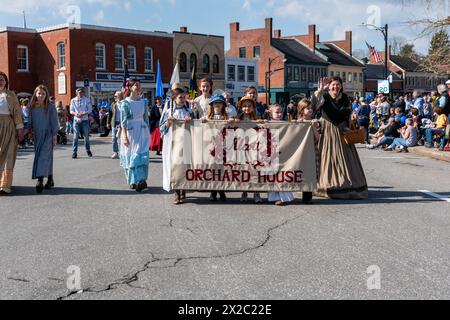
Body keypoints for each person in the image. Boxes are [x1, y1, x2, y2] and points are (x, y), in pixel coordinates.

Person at [311, 77, 368, 200]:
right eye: (333, 85)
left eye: (337, 85)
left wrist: (349, 124)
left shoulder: (345, 98)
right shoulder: (324, 96)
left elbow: (345, 114)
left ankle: (346, 184)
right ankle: (325, 183)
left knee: (345, 158)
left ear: (341, 86)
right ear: (329, 86)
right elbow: (314, 106)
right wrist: (320, 90)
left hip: (341, 129)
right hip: (327, 129)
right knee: (326, 157)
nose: (335, 87)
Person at [160, 86, 194, 204]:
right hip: (171, 142)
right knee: (173, 165)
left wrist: (191, 120)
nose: (183, 99)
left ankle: (183, 189)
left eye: (184, 97)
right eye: (180, 97)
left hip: (185, 141)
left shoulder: (188, 111)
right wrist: (168, 122)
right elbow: (161, 128)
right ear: (174, 98)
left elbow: (195, 125)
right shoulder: (169, 111)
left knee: (184, 165)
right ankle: (176, 191)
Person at [201, 95, 235, 202]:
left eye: (220, 103)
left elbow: (234, 123)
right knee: (212, 169)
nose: (217, 105)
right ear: (212, 105)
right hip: (211, 145)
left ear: (223, 105)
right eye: (215, 103)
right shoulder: (208, 117)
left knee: (222, 170)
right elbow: (201, 124)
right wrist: (203, 121)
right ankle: (213, 191)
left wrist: (231, 121)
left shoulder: (226, 116)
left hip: (223, 145)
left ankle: (221, 190)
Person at [120, 80, 150, 192]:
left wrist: (148, 131)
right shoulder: (125, 103)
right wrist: (124, 136)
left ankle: (141, 179)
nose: (138, 87)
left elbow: (146, 118)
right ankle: (133, 180)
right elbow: (123, 122)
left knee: (141, 154)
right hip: (131, 131)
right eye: (136, 85)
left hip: (142, 130)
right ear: (130, 87)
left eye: (139, 85)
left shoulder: (144, 102)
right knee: (131, 155)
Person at [29, 85, 59, 193]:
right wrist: (29, 131)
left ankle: (40, 180)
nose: (41, 95)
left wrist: (55, 135)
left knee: (43, 156)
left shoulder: (50, 107)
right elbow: (30, 121)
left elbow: (54, 121)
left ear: (46, 95)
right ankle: (50, 179)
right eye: (39, 93)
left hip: (48, 134)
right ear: (35, 94)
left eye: (43, 94)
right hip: (37, 135)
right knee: (45, 157)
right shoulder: (32, 106)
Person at [0, 72, 24, 195]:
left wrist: (20, 129)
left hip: (8, 127)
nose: (0, 81)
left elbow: (17, 112)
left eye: (2, 79)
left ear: (6, 81)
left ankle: (5, 185)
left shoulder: (11, 95)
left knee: (8, 155)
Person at [266, 103, 295, 206]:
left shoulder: (285, 123)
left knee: (283, 175)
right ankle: (274, 197)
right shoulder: (267, 123)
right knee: (273, 176)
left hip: (283, 152)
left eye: (281, 112)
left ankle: (284, 197)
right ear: (270, 113)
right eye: (277, 112)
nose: (279, 114)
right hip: (271, 153)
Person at [237, 96, 263, 204]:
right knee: (244, 169)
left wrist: (263, 122)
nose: (247, 108)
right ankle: (244, 192)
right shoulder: (238, 118)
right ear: (241, 108)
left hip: (254, 146)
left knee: (255, 170)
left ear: (253, 107)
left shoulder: (257, 118)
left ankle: (256, 193)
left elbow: (263, 126)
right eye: (244, 106)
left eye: (249, 106)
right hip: (242, 147)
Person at [70, 88, 93, 159]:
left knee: (86, 136)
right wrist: (75, 113)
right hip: (76, 120)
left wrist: (83, 114)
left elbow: (90, 110)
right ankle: (74, 152)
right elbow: (71, 110)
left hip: (85, 120)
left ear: (83, 93)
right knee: (75, 136)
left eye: (81, 92)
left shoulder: (87, 99)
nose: (80, 93)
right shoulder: (73, 100)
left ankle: (88, 150)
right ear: (76, 93)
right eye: (79, 92)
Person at [107, 91, 123, 159]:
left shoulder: (124, 104)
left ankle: (123, 152)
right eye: (114, 96)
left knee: (122, 139)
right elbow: (110, 114)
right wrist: (108, 123)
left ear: (120, 96)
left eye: (116, 96)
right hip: (114, 124)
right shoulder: (113, 104)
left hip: (122, 124)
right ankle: (115, 152)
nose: (114, 97)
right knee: (114, 139)